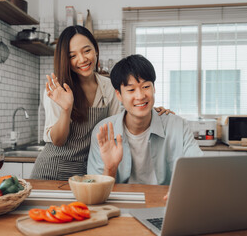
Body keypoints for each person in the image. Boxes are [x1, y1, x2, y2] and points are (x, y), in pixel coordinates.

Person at [31, 26, 171, 180]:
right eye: (72, 56)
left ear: (95, 50)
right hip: (52, 170)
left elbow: (118, 126)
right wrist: (66, 109)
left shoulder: (108, 86)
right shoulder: (57, 90)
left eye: (86, 51)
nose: (82, 59)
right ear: (65, 59)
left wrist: (149, 112)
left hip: (88, 170)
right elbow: (58, 141)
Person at [87, 54, 203, 185]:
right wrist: (110, 168)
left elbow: (198, 172)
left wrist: (181, 192)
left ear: (154, 88)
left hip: (165, 202)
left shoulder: (178, 126)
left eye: (146, 87)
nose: (140, 96)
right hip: (118, 204)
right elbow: (95, 190)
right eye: (131, 89)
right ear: (118, 95)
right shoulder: (104, 132)